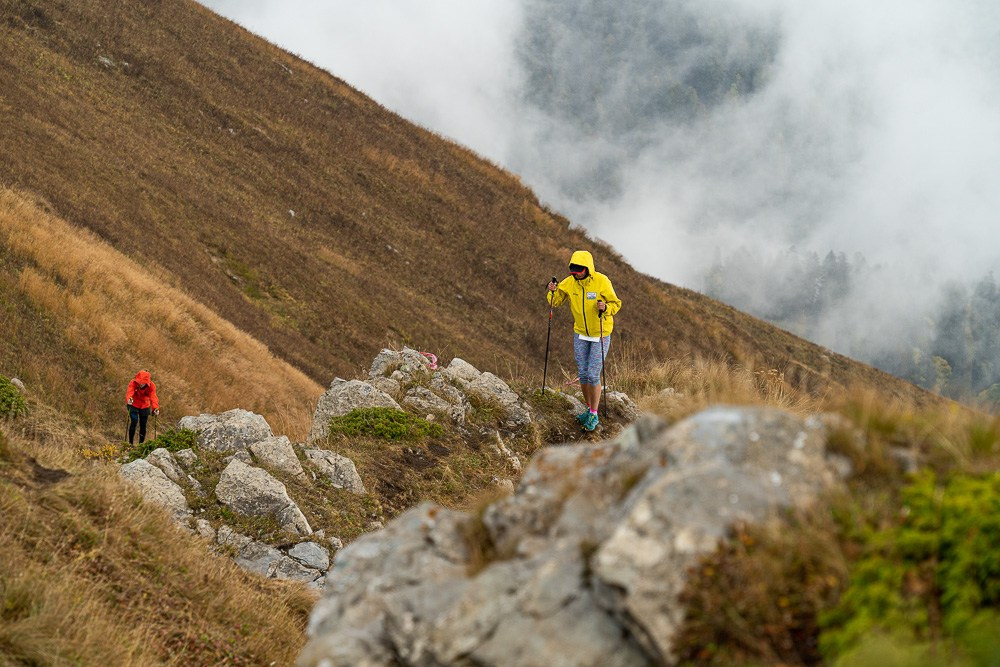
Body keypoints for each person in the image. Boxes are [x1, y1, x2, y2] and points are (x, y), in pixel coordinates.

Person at [547, 250, 621, 431]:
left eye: (579, 270)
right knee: (583, 372)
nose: (576, 274)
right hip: (580, 333)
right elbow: (555, 302)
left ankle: (594, 414)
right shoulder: (569, 283)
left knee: (593, 374)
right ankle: (588, 409)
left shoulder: (602, 281)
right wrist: (552, 292)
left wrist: (606, 307)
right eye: (573, 271)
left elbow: (616, 303)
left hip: (600, 334)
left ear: (588, 268)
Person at [126, 369, 160, 444]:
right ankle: (130, 443)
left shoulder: (151, 386)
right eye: (139, 382)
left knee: (143, 425)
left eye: (143, 383)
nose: (140, 384)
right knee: (134, 422)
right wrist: (129, 399)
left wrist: (155, 408)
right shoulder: (133, 383)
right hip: (133, 404)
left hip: (145, 406)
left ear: (147, 382)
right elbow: (130, 392)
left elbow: (153, 397)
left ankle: (141, 444)